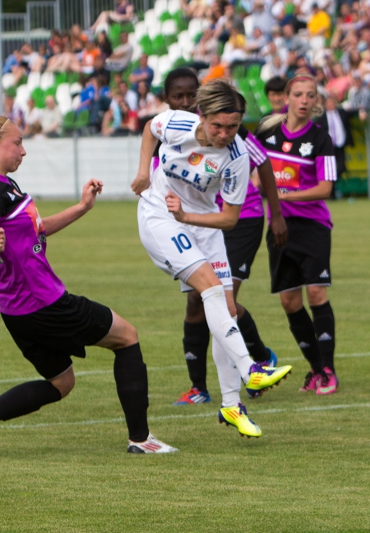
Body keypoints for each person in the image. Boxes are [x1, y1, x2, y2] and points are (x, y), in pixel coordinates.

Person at [0, 116, 177, 458]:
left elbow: (36, 229)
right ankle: (141, 438)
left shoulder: (3, 185)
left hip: (18, 311)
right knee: (127, 337)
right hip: (45, 304)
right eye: (17, 143)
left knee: (62, 383)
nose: (23, 150)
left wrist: (82, 207)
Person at [130, 79, 292, 438]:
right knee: (210, 290)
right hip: (159, 215)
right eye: (218, 125)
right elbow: (148, 129)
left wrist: (188, 217)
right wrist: (144, 172)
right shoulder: (176, 123)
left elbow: (230, 219)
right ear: (201, 116)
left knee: (226, 309)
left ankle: (232, 406)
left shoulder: (237, 159)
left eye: (233, 126)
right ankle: (252, 366)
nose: (224, 133)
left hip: (202, 224)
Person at [255, 74, 340, 395]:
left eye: (311, 95)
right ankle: (316, 369)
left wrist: (281, 196)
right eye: (299, 94)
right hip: (277, 227)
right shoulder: (267, 131)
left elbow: (326, 187)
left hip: (313, 226)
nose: (305, 100)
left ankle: (329, 370)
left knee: (316, 294)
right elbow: (248, 167)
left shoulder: (321, 139)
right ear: (286, 98)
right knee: (290, 301)